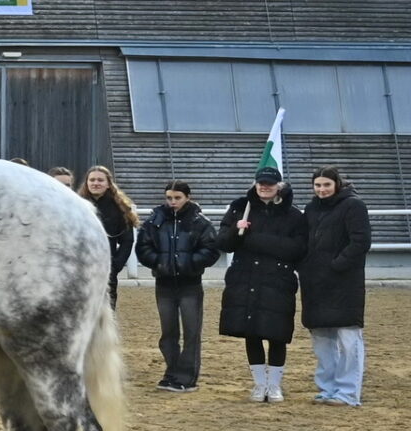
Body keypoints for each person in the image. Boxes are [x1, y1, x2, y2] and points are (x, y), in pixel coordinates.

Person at [219, 164, 308, 402]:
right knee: (253, 333)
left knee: (277, 333)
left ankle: (275, 384)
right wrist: (235, 232)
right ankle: (259, 384)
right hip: (246, 278)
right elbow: (223, 243)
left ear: (278, 186)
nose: (264, 187)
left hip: (277, 281)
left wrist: (251, 238)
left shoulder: (295, 216)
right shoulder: (240, 208)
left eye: (269, 184)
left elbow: (295, 249)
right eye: (261, 183)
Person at [136, 181, 218, 392]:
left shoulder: (200, 222)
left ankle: (187, 377)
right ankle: (171, 372)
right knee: (168, 332)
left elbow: (211, 249)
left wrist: (189, 263)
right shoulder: (155, 221)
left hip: (190, 285)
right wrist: (158, 262)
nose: (172, 202)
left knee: (191, 332)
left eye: (177, 198)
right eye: (169, 198)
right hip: (164, 284)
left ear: (187, 197)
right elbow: (142, 247)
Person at [301, 167, 370, 406]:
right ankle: (327, 388)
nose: (321, 190)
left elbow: (361, 240)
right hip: (315, 283)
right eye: (318, 185)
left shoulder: (353, 206)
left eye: (326, 185)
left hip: (344, 284)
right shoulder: (311, 209)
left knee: (349, 339)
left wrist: (337, 265)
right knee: (322, 340)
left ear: (337, 184)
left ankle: (348, 392)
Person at [81, 166, 137, 306]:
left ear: (108, 184)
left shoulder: (120, 208)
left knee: (106, 312)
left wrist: (116, 265)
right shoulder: (77, 204)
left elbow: (127, 240)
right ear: (87, 182)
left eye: (100, 180)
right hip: (81, 268)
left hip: (107, 270)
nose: (96, 183)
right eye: (92, 180)